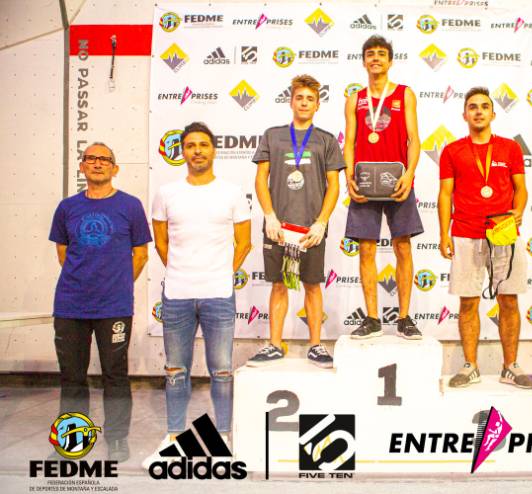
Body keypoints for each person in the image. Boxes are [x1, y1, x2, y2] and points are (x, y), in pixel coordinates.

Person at [145, 122, 252, 467]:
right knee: (176, 370)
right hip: (177, 294)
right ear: (183, 151)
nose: (197, 151)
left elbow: (245, 243)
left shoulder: (232, 193)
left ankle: (223, 435)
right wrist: (182, 269)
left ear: (214, 149)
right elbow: (161, 242)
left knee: (221, 370)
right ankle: (174, 436)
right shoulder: (166, 193)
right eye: (190, 145)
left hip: (218, 295)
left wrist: (219, 272)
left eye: (203, 144)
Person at [49, 142, 151, 462]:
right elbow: (63, 253)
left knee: (115, 374)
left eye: (104, 159)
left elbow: (141, 254)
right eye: (90, 158)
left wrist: (116, 284)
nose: (97, 163)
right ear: (82, 167)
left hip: (114, 307)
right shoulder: (67, 207)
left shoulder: (130, 206)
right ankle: (72, 441)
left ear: (114, 168)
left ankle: (117, 439)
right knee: (72, 376)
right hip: (71, 305)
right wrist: (85, 280)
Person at [438, 87, 532, 390]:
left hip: (503, 232)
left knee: (509, 300)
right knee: (468, 302)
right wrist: (443, 233)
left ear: (493, 114)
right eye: (472, 107)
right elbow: (445, 195)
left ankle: (511, 366)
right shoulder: (452, 151)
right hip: (465, 232)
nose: (478, 111)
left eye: (484, 106)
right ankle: (470, 366)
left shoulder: (510, 148)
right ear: (464, 115)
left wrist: (518, 211)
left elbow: (521, 188)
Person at [246, 74, 344, 368]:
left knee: (312, 285)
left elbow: (334, 185)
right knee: (278, 284)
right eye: (299, 97)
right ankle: (275, 345)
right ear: (291, 101)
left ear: (317, 105)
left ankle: (315, 345)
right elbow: (261, 179)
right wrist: (269, 215)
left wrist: (321, 222)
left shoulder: (326, 140)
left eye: (310, 99)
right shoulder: (272, 135)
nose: (304, 103)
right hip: (278, 228)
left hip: (310, 229)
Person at [344, 35, 424, 339]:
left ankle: (404, 318)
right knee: (366, 248)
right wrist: (349, 176)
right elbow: (349, 142)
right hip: (365, 180)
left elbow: (414, 139)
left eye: (381, 54)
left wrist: (410, 174)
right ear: (364, 61)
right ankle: (373, 318)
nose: (375, 58)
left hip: (398, 179)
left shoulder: (405, 94)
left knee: (402, 246)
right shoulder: (355, 99)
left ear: (390, 61)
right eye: (370, 54)